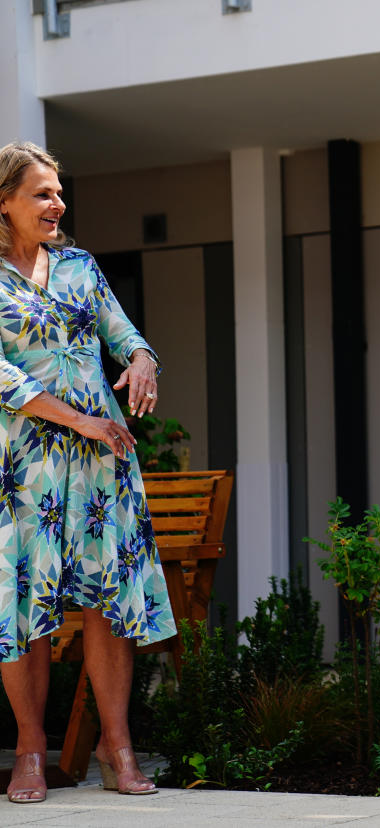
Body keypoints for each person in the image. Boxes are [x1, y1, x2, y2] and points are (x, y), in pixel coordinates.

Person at [0, 142, 176, 803]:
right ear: (4, 203)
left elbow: (123, 331)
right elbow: (4, 377)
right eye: (42, 193)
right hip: (24, 471)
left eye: (58, 191)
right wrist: (78, 421)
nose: (57, 203)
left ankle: (116, 744)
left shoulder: (80, 267)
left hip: (102, 463)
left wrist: (141, 362)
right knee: (25, 606)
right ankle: (28, 751)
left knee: (106, 601)